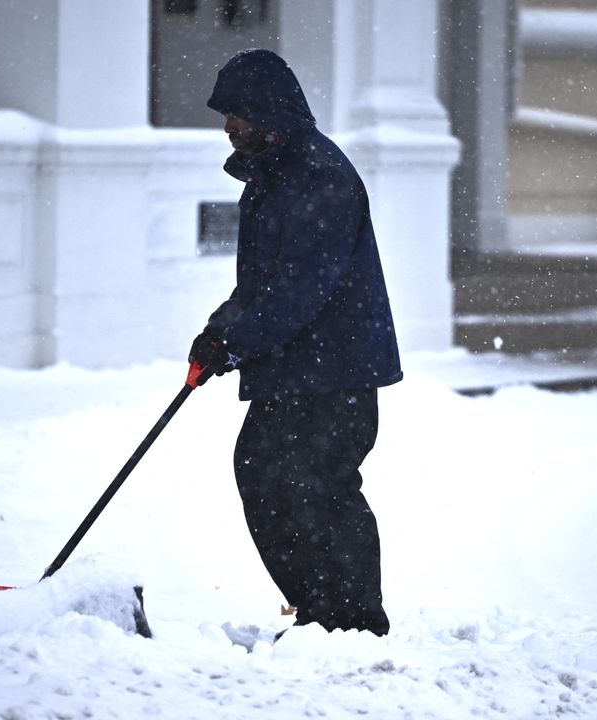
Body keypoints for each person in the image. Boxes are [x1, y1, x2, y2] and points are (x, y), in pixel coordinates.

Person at [188, 48, 402, 637]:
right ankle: (319, 612)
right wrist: (217, 333)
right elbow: (259, 282)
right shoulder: (274, 176)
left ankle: (353, 621)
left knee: (319, 487)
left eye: (236, 113)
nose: (228, 126)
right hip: (297, 367)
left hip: (336, 370)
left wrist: (237, 343)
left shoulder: (319, 176)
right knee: (265, 474)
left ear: (268, 111)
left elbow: (300, 288)